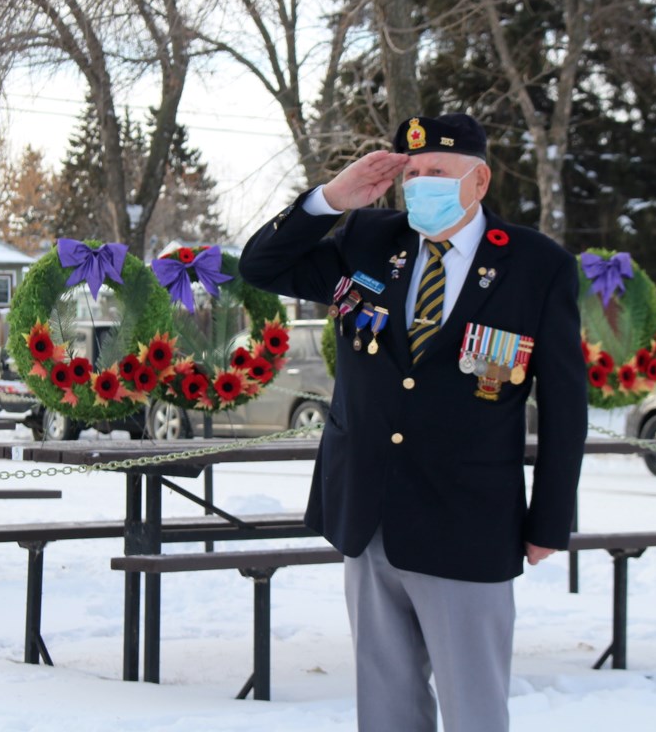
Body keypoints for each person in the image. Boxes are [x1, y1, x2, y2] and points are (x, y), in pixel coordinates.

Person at [239, 113, 586, 732]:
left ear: (478, 181)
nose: (420, 184)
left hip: (467, 516)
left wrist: (550, 519)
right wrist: (329, 201)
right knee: (385, 700)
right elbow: (260, 267)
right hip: (368, 510)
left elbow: (564, 405)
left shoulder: (536, 266)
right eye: (414, 173)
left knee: (474, 702)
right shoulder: (369, 239)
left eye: (438, 174)